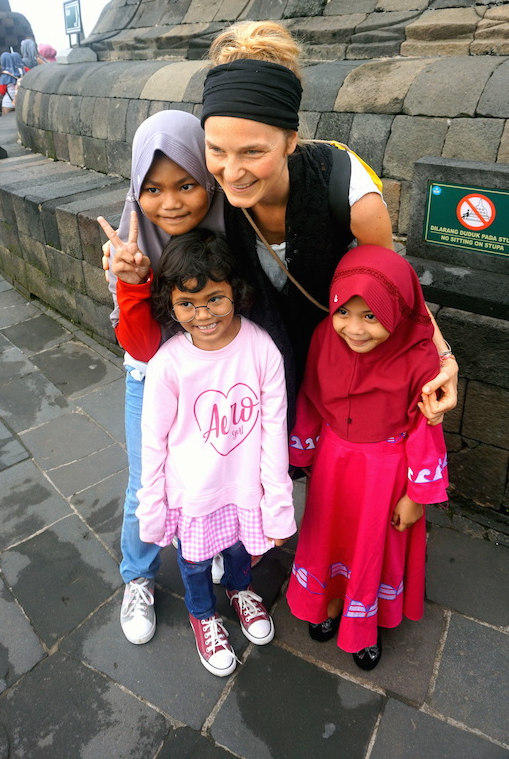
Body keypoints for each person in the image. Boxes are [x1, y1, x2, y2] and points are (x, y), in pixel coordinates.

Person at [200, 21, 458, 425]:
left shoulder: (348, 191)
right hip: (251, 369)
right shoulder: (204, 189)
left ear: (289, 141)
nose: (232, 172)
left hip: (335, 363)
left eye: (252, 152)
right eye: (216, 149)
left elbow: (392, 285)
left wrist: (443, 356)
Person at [136, 229, 296, 676]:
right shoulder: (168, 363)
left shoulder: (261, 348)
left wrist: (277, 503)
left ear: (236, 293)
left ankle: (241, 590)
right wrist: (153, 504)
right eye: (187, 304)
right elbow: (153, 441)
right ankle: (202, 613)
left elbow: (273, 430)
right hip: (193, 490)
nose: (202, 314)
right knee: (195, 560)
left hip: (244, 485)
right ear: (170, 302)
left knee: (243, 548)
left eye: (214, 299)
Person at [287, 245, 449, 671]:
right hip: (333, 465)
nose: (355, 329)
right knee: (329, 535)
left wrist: (417, 495)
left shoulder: (419, 355)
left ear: (397, 311)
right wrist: (301, 451)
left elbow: (425, 425)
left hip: (387, 475)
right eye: (345, 312)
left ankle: (366, 625)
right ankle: (331, 601)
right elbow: (311, 395)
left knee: (374, 547)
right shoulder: (325, 336)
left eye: (371, 316)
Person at [97, 110, 224, 647]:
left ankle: (213, 543)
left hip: (213, 377)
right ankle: (139, 576)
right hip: (150, 380)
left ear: (208, 182)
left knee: (212, 471)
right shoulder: (129, 247)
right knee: (147, 483)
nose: (170, 203)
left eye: (187, 185)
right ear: (135, 189)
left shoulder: (228, 233)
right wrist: (132, 282)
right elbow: (143, 344)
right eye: (152, 188)